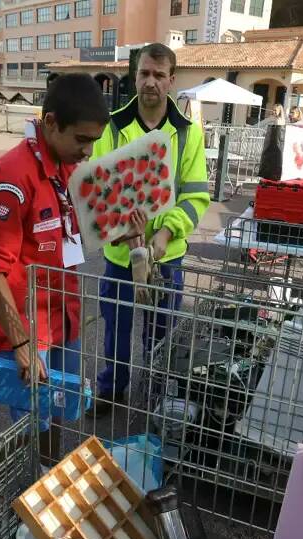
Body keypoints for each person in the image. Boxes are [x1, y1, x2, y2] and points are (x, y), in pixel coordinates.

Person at [0, 73, 109, 455]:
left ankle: (49, 468)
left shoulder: (63, 167)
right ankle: (32, 481)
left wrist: (125, 229)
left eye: (93, 142)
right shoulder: (12, 179)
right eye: (81, 139)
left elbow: (76, 225)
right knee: (32, 416)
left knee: (59, 401)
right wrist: (22, 341)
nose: (88, 152)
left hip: (63, 314)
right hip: (30, 327)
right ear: (50, 123)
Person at [88, 42, 210, 417]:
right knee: (116, 329)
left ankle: (154, 394)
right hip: (121, 256)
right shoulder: (113, 126)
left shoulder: (188, 133)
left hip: (167, 256)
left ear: (172, 80)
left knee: (160, 335)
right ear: (134, 76)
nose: (150, 82)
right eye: (144, 73)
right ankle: (112, 388)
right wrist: (125, 230)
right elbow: (98, 186)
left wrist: (164, 235)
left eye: (159, 75)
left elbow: (195, 196)